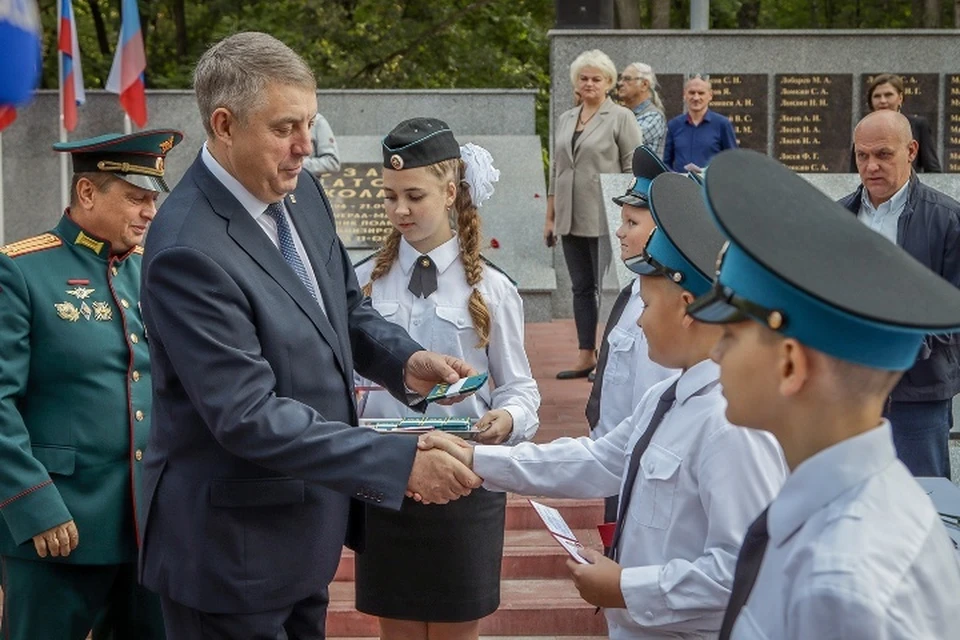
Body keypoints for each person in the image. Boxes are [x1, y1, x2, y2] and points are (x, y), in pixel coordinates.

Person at [137, 32, 483, 639]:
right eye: (286, 128)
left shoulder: (298, 193)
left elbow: (341, 308)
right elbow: (245, 414)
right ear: (224, 124)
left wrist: (406, 360)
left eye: (310, 124)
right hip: (230, 558)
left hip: (302, 536)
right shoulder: (188, 249)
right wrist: (398, 463)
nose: (306, 147)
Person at [423, 171, 786, 639]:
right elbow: (596, 459)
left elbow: (742, 573)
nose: (640, 323)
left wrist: (628, 587)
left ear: (689, 308)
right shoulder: (668, 397)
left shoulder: (732, 425)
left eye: (648, 307)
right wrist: (475, 458)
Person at [688, 148, 960, 640]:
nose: (716, 353)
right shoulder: (851, 514)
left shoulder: (838, 584)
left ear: (791, 364)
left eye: (732, 332)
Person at [352, 117, 541, 640]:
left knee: (458, 631)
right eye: (389, 197)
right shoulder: (362, 283)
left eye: (414, 195)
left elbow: (520, 389)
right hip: (388, 479)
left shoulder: (492, 288)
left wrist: (507, 419)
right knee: (398, 632)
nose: (400, 210)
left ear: (451, 192)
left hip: (464, 477)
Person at [0, 129, 182, 640]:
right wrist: (32, 503)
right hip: (56, 530)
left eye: (152, 200)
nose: (149, 212)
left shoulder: (151, 274)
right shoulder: (20, 270)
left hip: (149, 529)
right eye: (135, 198)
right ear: (87, 193)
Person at [839, 109, 960, 479]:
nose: (871, 166)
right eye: (863, 155)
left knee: (925, 511)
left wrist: (899, 346)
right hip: (848, 394)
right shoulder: (838, 218)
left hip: (918, 399)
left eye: (883, 154)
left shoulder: (947, 220)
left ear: (911, 151)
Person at [585, 145, 677, 525]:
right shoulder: (633, 292)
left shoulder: (671, 305)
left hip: (648, 474)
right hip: (615, 464)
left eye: (632, 223)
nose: (620, 232)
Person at [546, 49, 643, 380]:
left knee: (608, 288)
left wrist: (629, 214)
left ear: (609, 83)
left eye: (596, 78)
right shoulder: (565, 119)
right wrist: (550, 216)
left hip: (606, 214)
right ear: (576, 82)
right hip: (569, 216)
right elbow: (557, 170)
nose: (589, 83)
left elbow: (633, 165)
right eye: (583, 78)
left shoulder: (620, 117)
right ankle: (585, 354)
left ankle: (611, 356)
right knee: (581, 288)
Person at [848, 73, 941, 173]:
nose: (882, 101)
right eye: (877, 96)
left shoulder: (918, 125)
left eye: (888, 95)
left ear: (900, 98)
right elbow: (854, 173)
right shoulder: (863, 128)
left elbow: (933, 170)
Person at [662, 75, 737, 174]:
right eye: (692, 93)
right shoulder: (674, 125)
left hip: (710, 186)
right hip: (681, 186)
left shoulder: (722, 124)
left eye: (701, 93)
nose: (696, 97)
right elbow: (666, 163)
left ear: (710, 95)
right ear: (684, 95)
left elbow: (732, 160)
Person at [617, 64, 667, 156]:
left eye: (627, 79)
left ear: (644, 85)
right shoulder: (622, 113)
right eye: (621, 79)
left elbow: (623, 143)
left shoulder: (654, 117)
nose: (620, 83)